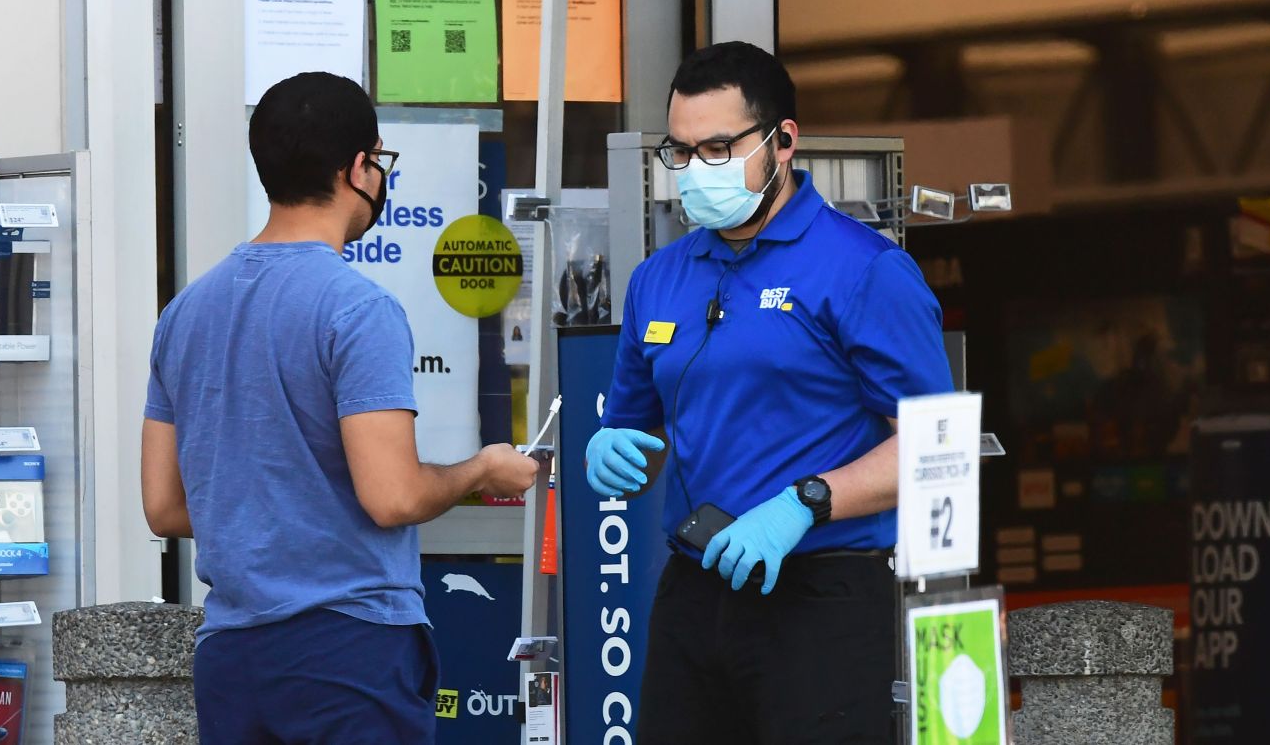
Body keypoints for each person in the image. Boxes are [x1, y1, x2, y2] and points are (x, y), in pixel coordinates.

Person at [140, 71, 539, 744]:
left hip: (231, 655)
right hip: (347, 651)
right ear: (358, 168)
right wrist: (481, 470)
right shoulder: (359, 309)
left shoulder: (185, 314)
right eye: (380, 162)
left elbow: (165, 507)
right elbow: (393, 498)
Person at [586, 42, 953, 744]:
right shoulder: (658, 279)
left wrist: (804, 504)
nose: (696, 171)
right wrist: (614, 450)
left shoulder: (864, 268)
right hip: (694, 591)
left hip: (822, 597)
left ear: (784, 140)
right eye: (682, 152)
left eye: (719, 147)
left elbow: (939, 447)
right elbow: (643, 433)